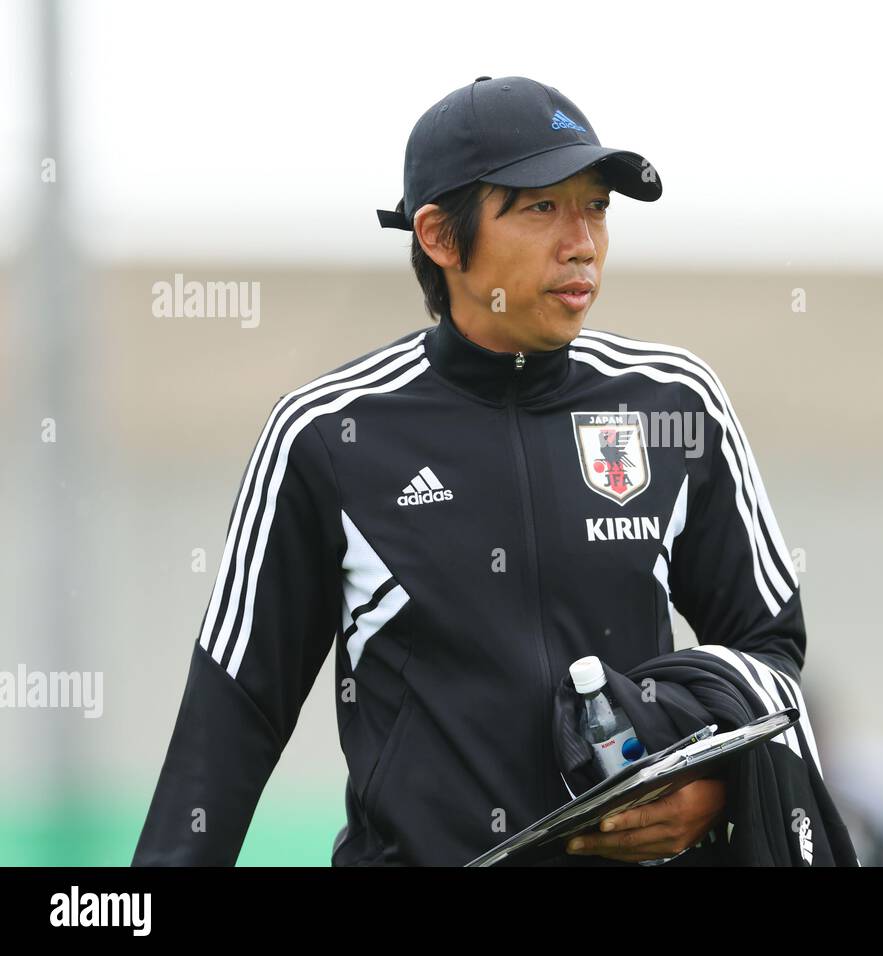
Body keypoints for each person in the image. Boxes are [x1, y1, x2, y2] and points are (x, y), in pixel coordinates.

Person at [132, 76, 809, 866]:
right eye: (540, 207)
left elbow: (768, 649)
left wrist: (719, 788)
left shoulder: (675, 404)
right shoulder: (326, 435)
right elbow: (233, 717)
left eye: (595, 206)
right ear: (440, 238)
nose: (582, 241)